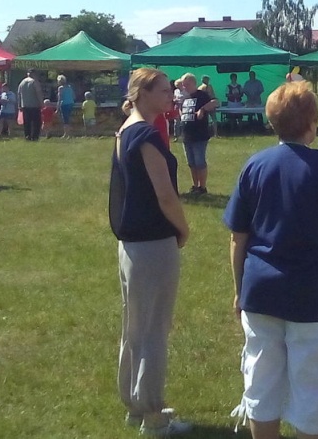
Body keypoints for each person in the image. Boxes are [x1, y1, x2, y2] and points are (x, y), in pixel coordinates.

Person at [224, 81, 318, 439]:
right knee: (311, 387)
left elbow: (237, 237)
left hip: (260, 290)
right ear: (311, 123)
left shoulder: (254, 165)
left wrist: (239, 289)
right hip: (313, 293)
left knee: (260, 383)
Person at [109, 67, 192, 437]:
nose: (170, 95)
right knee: (155, 329)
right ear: (142, 92)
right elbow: (165, 194)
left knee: (135, 327)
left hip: (130, 244)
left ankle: (134, 402)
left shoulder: (125, 129)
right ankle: (154, 415)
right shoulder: (144, 133)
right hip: (153, 244)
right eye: (163, 90)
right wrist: (183, 228)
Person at [179, 73, 218, 195]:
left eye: (186, 84)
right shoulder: (185, 97)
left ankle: (203, 187)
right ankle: (195, 185)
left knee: (199, 162)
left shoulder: (202, 95)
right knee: (191, 162)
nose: (184, 87)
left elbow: (216, 102)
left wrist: (203, 109)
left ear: (192, 83)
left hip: (199, 134)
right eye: (183, 85)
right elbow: (182, 109)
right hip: (186, 134)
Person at [18, 69, 44, 141]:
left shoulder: (22, 83)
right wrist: (42, 103)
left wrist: (19, 105)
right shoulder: (35, 82)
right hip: (34, 105)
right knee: (36, 122)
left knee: (27, 123)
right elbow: (38, 93)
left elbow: (19, 94)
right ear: (34, 74)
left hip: (25, 105)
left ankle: (27, 136)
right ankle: (35, 137)